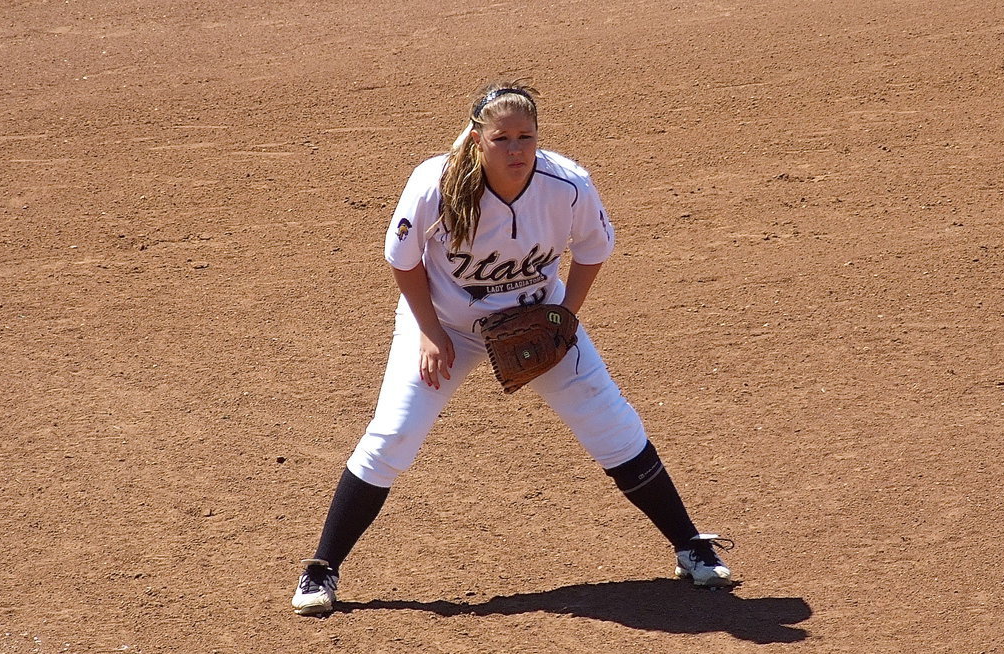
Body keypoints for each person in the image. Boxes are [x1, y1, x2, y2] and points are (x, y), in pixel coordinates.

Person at [291, 80, 733, 615]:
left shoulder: (566, 184)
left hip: (537, 321)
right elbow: (403, 261)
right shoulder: (435, 183)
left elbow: (593, 249)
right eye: (503, 138)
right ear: (478, 139)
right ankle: (322, 569)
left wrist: (564, 318)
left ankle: (690, 545)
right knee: (395, 432)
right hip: (446, 324)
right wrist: (430, 334)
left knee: (609, 420)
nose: (517, 149)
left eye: (527, 136)